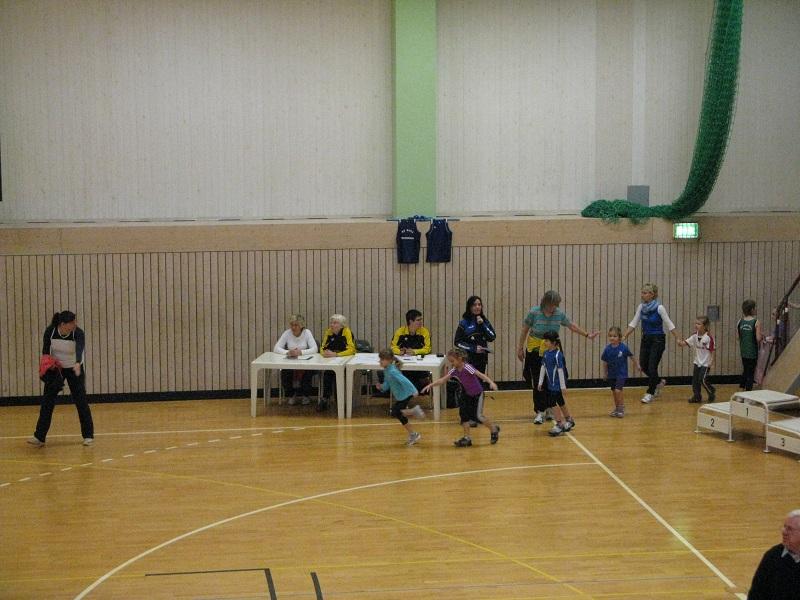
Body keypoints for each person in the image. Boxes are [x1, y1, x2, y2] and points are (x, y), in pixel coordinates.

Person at [517, 290, 599, 424]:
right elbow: (525, 329)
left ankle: (550, 408)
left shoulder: (559, 314)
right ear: (545, 303)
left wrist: (587, 335)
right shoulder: (534, 312)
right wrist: (520, 348)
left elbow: (571, 325)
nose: (553, 307)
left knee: (551, 380)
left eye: (555, 305)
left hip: (551, 351)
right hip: (535, 350)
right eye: (551, 305)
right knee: (538, 381)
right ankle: (539, 411)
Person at [28, 311, 94, 447]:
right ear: (63, 324)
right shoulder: (50, 331)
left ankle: (88, 435)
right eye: (72, 322)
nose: (75, 324)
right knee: (47, 401)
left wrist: (77, 363)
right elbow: (45, 352)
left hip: (74, 368)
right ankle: (39, 437)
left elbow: (80, 348)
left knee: (81, 401)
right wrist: (48, 367)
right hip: (56, 368)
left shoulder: (78, 333)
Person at [423, 348, 500, 447]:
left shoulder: (467, 367)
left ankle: (494, 429)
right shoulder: (454, 370)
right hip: (467, 394)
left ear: (459, 359)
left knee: (478, 417)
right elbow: (443, 380)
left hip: (477, 394)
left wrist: (491, 382)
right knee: (464, 415)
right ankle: (467, 438)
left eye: (452, 361)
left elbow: (480, 375)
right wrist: (431, 385)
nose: (451, 363)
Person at [622, 283, 681, 404]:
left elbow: (669, 324)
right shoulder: (641, 307)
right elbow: (633, 323)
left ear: (652, 294)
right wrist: (624, 336)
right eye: (642, 292)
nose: (642, 295)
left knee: (652, 367)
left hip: (658, 340)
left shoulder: (659, 308)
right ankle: (658, 382)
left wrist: (678, 338)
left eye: (645, 293)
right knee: (644, 365)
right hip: (646, 339)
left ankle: (650, 392)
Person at [374, 349, 425, 446]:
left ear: (389, 360)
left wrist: (414, 390)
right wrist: (381, 387)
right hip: (401, 396)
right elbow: (387, 384)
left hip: (406, 394)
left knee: (395, 412)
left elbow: (404, 381)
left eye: (382, 359)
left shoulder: (392, 371)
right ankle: (413, 433)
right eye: (380, 359)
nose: (380, 361)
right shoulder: (387, 370)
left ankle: (414, 413)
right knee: (398, 414)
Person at [747, 509, 800, 599]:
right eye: (784, 527)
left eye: (790, 529)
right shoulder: (773, 556)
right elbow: (756, 593)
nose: (784, 532)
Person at [273, 314, 318, 405]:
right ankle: (291, 395)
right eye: (292, 325)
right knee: (285, 372)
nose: (293, 327)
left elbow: (315, 349)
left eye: (296, 325)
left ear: (301, 325)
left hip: (305, 362)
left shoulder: (307, 332)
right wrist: (287, 352)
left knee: (308, 372)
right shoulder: (287, 333)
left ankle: (306, 395)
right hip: (290, 361)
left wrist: (301, 352)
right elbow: (276, 348)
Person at [537, 331, 575, 437]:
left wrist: (563, 386)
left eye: (547, 341)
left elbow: (560, 370)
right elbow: (543, 368)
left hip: (557, 384)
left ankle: (559, 424)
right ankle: (569, 420)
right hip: (550, 384)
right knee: (560, 401)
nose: (544, 342)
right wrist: (540, 382)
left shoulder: (558, 355)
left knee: (553, 403)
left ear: (553, 342)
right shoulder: (546, 353)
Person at [601, 326, 642, 418]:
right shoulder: (607, 349)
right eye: (610, 336)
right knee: (614, 392)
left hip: (621, 374)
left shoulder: (623, 348)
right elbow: (605, 362)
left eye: (615, 336)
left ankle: (621, 408)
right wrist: (605, 373)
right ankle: (617, 408)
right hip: (612, 374)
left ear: (619, 337)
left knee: (618, 390)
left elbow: (631, 356)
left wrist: (637, 365)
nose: (612, 338)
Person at [318, 314, 356, 411]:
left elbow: (352, 350)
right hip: (331, 361)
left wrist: (336, 354)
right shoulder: (328, 332)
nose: (332, 325)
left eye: (335, 323)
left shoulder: (347, 332)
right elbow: (322, 347)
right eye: (331, 322)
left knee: (338, 375)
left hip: (345, 359)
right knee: (328, 374)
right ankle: (325, 399)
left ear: (342, 325)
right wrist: (324, 353)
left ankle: (339, 401)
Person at [390, 309, 432, 392]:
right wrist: (400, 352)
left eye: (421, 319)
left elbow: (428, 348)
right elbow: (392, 347)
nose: (421, 322)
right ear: (410, 321)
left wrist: (415, 352)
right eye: (418, 320)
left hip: (420, 364)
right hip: (403, 364)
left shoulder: (424, 332)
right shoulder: (400, 331)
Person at [454, 296, 496, 376]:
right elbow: (457, 342)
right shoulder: (464, 323)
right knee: (470, 382)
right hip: (468, 359)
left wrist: (483, 324)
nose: (477, 307)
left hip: (482, 359)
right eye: (474, 305)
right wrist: (473, 348)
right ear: (469, 307)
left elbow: (492, 337)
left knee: (479, 382)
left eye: (479, 305)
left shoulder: (484, 321)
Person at [679, 315, 716, 403]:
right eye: (696, 323)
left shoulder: (708, 337)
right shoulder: (694, 336)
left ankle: (711, 392)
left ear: (705, 326)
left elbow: (712, 350)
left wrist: (711, 361)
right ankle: (697, 396)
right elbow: (685, 343)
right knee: (695, 381)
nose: (696, 325)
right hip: (697, 362)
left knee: (702, 380)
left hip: (706, 363)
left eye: (699, 324)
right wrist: (680, 343)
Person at [736, 300, 762, 391]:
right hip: (752, 351)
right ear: (752, 309)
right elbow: (758, 338)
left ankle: (741, 388)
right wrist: (761, 336)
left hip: (743, 351)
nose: (756, 309)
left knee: (745, 369)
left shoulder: (740, 321)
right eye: (755, 308)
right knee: (751, 372)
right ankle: (748, 391)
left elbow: (738, 337)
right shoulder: (756, 322)